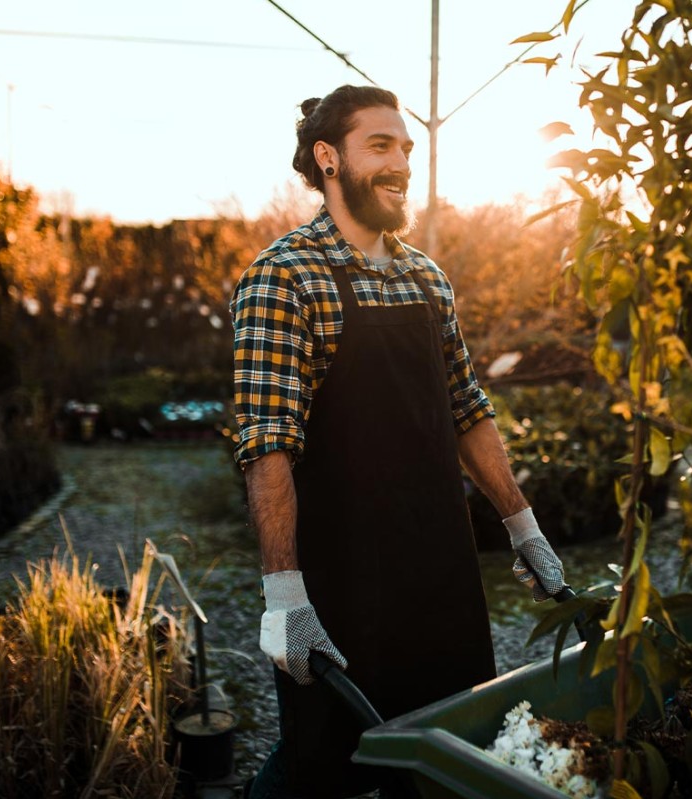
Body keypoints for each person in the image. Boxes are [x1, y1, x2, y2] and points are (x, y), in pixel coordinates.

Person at [231, 84, 568, 798]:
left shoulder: (426, 278)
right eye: (380, 145)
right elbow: (268, 446)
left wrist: (523, 524)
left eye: (406, 148)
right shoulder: (282, 278)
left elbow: (467, 411)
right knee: (321, 770)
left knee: (442, 758)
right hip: (342, 589)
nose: (402, 163)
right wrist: (285, 596)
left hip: (441, 576)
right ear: (328, 159)